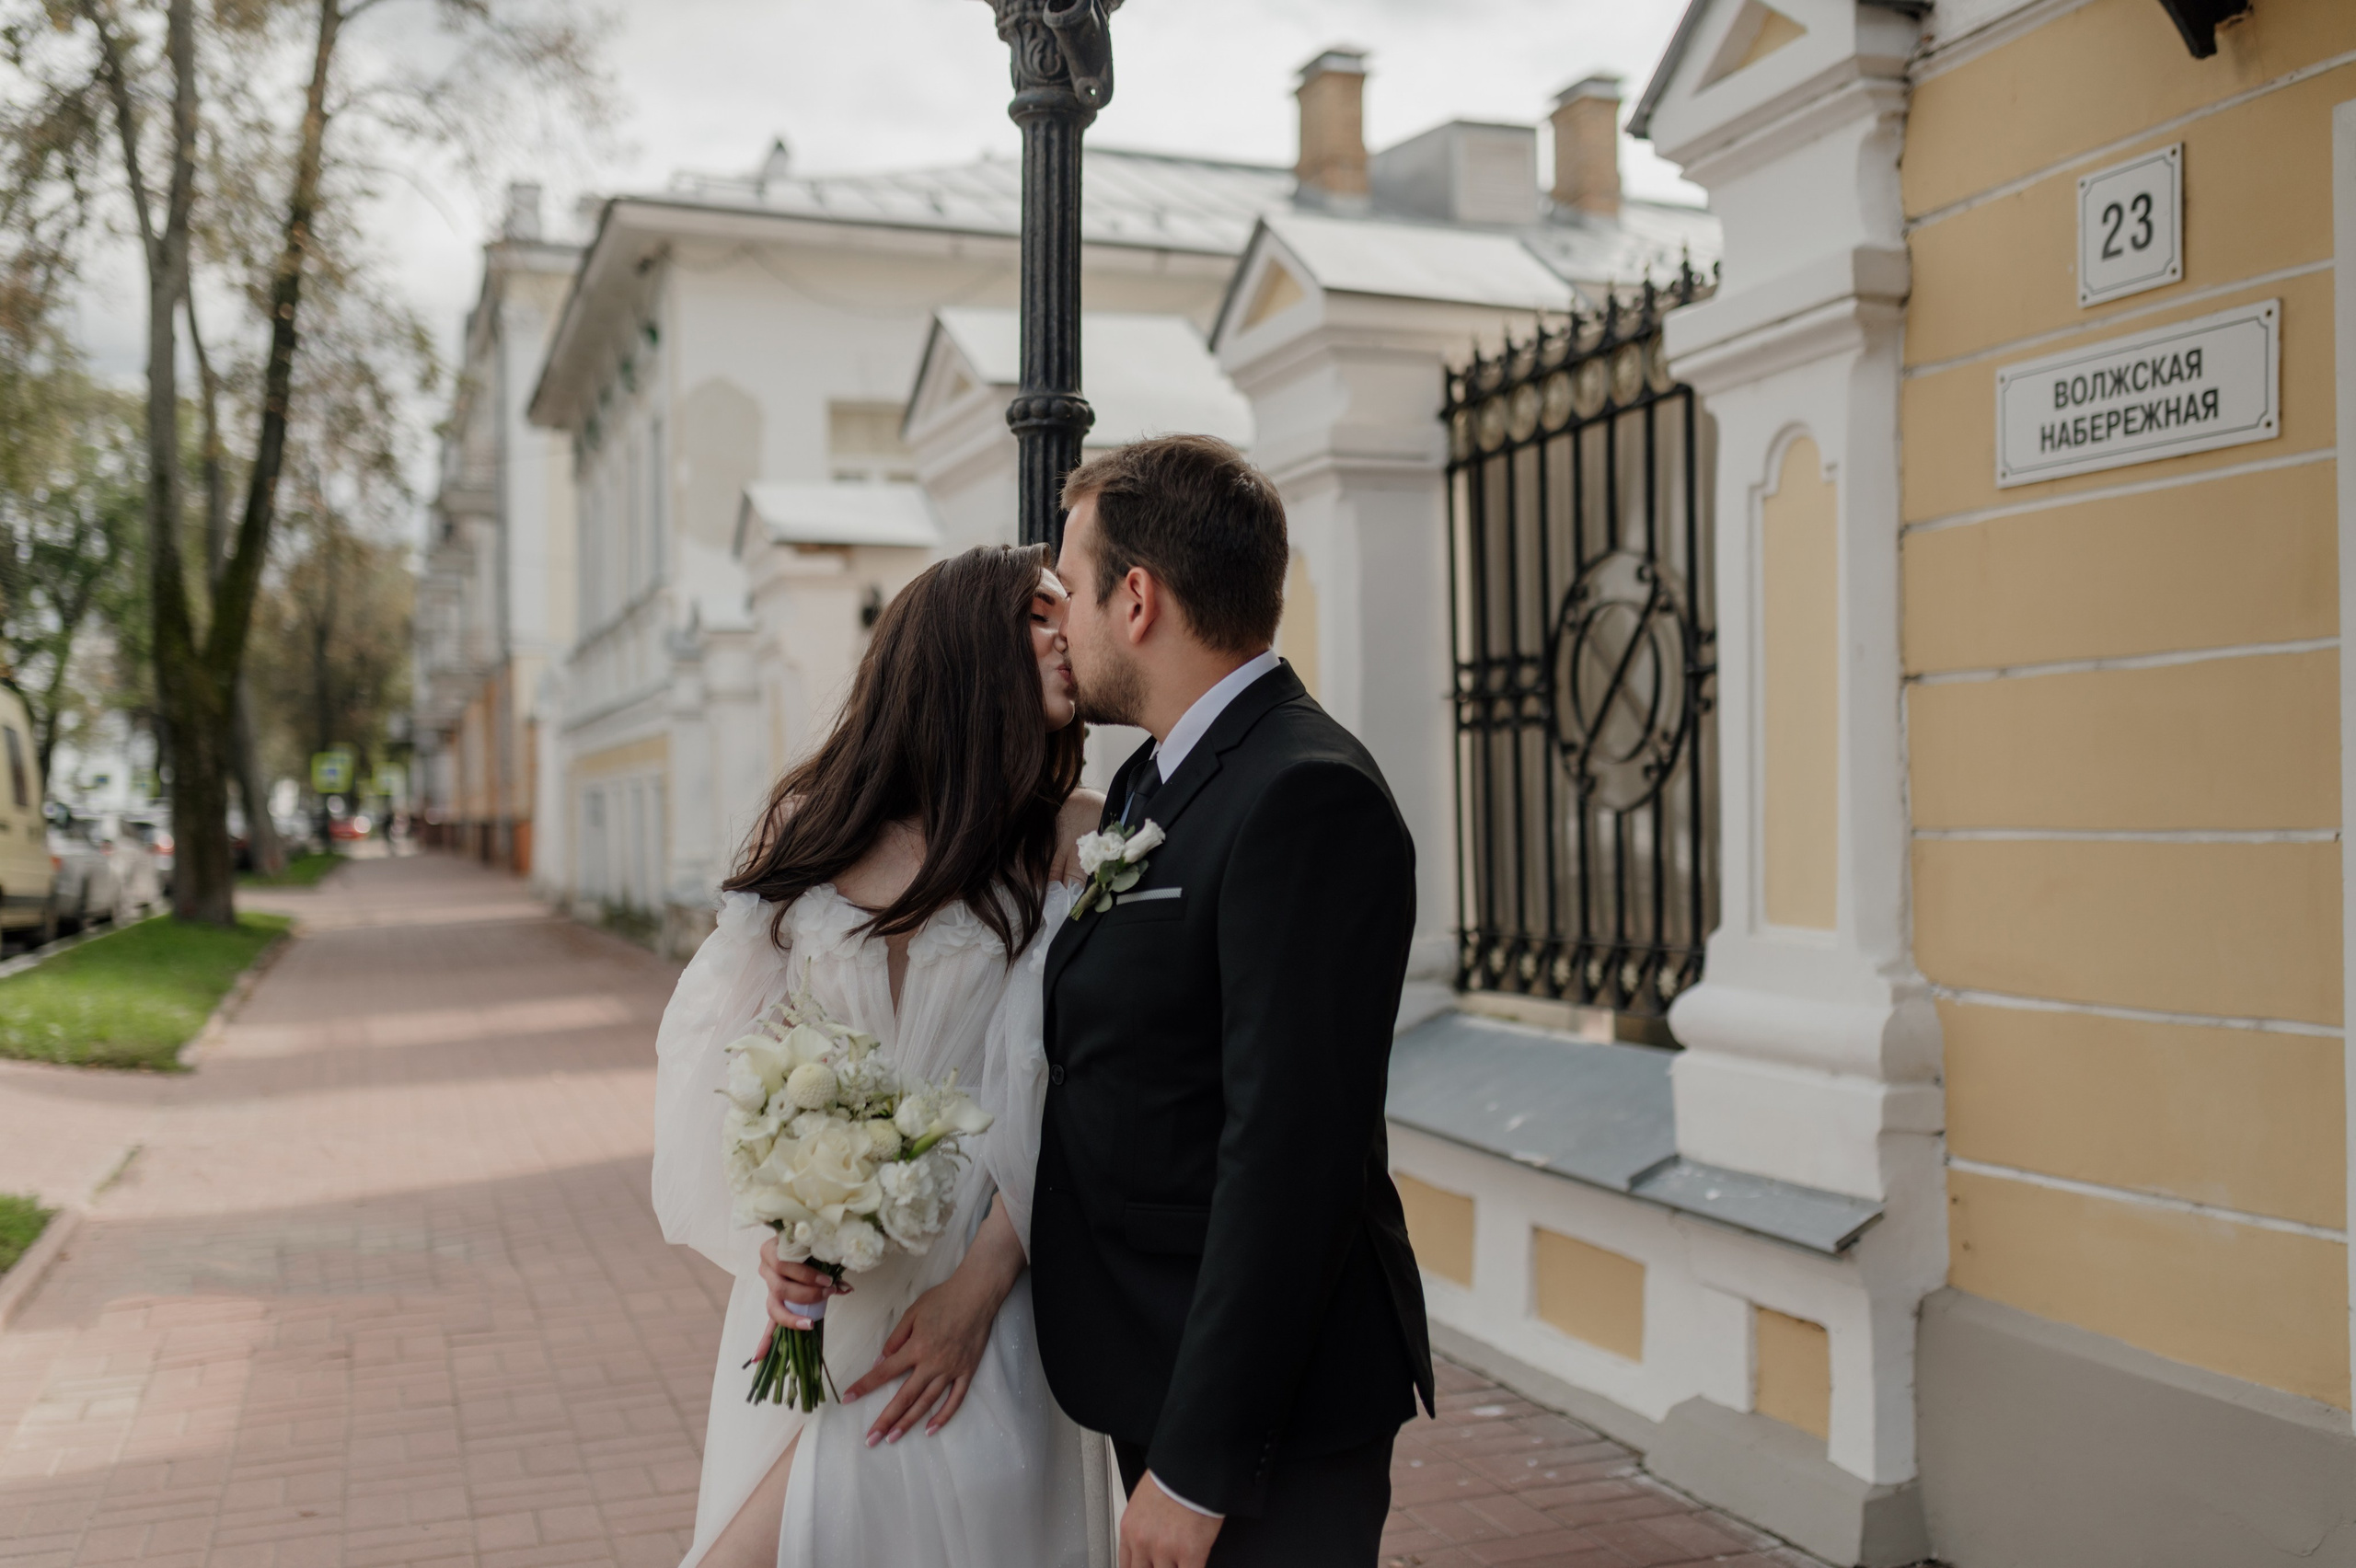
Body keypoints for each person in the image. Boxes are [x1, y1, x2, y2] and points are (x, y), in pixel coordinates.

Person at [650, 545, 1114, 1568]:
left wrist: (980, 1291)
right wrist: (777, 1236)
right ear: (961, 653)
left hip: (987, 1278)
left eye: (1063, 611)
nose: (1065, 634)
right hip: (831, 1291)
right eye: (1036, 617)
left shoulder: (1080, 845)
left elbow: (1072, 1095)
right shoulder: (813, 828)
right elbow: (731, 1070)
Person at [1032, 435, 1435, 1568]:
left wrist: (1202, 1460)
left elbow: (1291, 1153)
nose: (1061, 618)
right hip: (1157, 1357)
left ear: (1140, 599)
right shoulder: (1159, 781)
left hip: (1262, 1423)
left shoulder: (1304, 794)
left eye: (1072, 586)